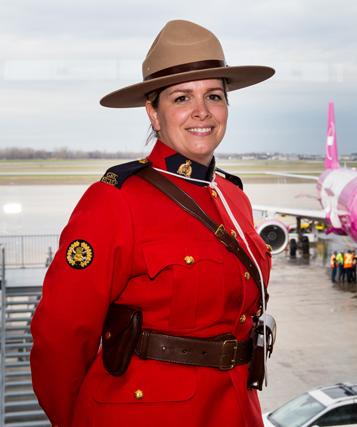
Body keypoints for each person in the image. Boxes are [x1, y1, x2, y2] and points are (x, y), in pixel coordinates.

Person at [30, 20, 275, 427]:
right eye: (182, 98)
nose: (202, 111)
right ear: (154, 113)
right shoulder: (116, 200)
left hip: (236, 409)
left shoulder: (234, 198)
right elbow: (61, 335)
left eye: (214, 95)